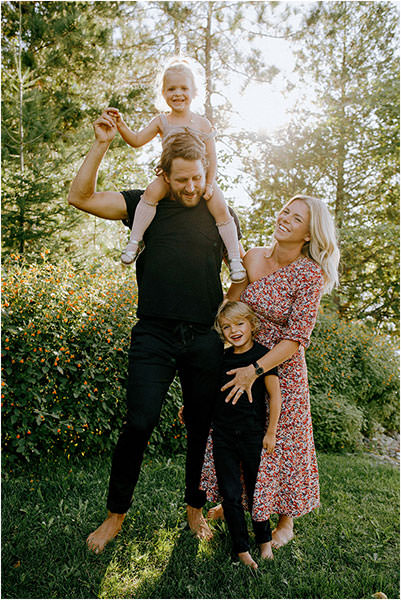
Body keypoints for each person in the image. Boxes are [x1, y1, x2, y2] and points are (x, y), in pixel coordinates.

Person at [67, 109, 243, 554]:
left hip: (203, 338)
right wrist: (103, 142)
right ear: (164, 174)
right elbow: (81, 198)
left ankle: (194, 510)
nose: (190, 188)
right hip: (154, 336)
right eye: (181, 179)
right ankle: (115, 517)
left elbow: (240, 275)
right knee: (139, 422)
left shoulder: (220, 214)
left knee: (201, 426)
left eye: (197, 179)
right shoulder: (146, 206)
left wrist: (223, 316)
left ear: (207, 173)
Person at [201, 194, 340, 549]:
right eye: (285, 212)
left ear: (308, 235)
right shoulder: (252, 257)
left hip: (282, 366)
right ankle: (239, 501)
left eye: (296, 219)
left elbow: (296, 338)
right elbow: (231, 307)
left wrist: (255, 370)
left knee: (282, 442)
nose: (285, 219)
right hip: (242, 359)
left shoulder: (310, 274)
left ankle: (285, 519)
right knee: (239, 431)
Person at [106, 57, 246, 283]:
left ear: (194, 92)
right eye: (171, 89)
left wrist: (209, 184)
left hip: (200, 180)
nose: (177, 93)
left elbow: (212, 157)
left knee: (221, 207)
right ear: (163, 93)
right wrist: (121, 124)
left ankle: (235, 260)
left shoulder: (202, 123)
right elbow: (137, 139)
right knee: (150, 193)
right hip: (171, 178)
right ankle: (134, 241)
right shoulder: (162, 121)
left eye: (183, 88)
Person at [205, 300, 281, 569]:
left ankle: (264, 542)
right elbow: (211, 393)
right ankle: (241, 548)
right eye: (227, 326)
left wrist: (270, 433)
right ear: (221, 330)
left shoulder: (263, 357)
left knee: (256, 490)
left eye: (239, 324)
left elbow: (275, 397)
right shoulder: (222, 359)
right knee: (231, 493)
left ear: (252, 324)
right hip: (223, 436)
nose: (234, 330)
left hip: (253, 436)